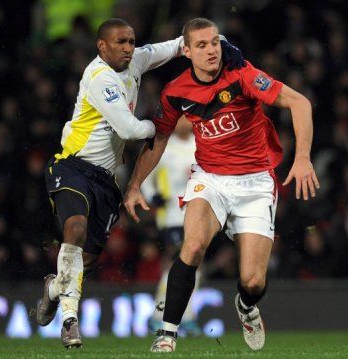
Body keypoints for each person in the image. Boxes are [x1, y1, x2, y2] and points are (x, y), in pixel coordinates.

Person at [35, 18, 244, 349]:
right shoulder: (99, 77)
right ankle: (70, 321)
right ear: (101, 46)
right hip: (73, 165)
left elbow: (176, 45)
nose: (128, 48)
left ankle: (53, 288)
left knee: (85, 261)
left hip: (106, 179)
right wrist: (163, 125)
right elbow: (130, 130)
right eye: (120, 42)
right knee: (74, 229)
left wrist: (217, 42)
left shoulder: (136, 59)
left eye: (132, 42)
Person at [123, 17, 320, 353]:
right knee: (194, 245)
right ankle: (167, 332)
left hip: (256, 182)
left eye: (214, 42)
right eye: (201, 45)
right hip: (210, 178)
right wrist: (135, 184)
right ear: (186, 51)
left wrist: (302, 158)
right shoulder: (176, 92)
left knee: (253, 281)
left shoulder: (243, 76)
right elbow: (158, 139)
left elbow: (299, 102)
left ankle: (246, 306)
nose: (211, 50)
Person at [140, 116, 202, 336]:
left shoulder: (202, 142)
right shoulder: (164, 147)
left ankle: (187, 316)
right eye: (180, 118)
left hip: (200, 213)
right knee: (177, 263)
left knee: (195, 265)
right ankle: (159, 316)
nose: (184, 122)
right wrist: (152, 195)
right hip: (173, 215)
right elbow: (146, 175)